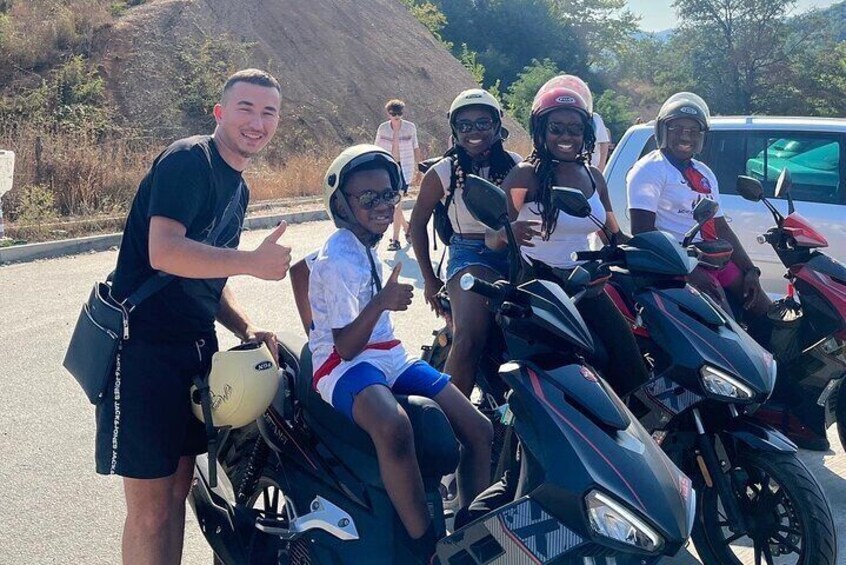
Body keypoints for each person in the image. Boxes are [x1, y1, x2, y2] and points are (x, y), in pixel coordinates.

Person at [96, 69, 291, 564]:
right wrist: (251, 262)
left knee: (179, 493)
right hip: (143, 350)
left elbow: (205, 276)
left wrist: (245, 328)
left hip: (195, 351)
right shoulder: (191, 160)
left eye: (269, 112)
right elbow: (165, 253)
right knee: (150, 510)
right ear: (220, 113)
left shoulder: (237, 187)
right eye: (246, 108)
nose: (257, 122)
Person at [309, 144, 493, 560]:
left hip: (387, 353)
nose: (381, 205)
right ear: (341, 203)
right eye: (367, 197)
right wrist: (383, 301)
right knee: (394, 427)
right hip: (342, 363)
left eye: (389, 195)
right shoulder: (336, 257)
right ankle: (424, 546)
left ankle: (472, 527)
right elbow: (345, 346)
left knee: (479, 429)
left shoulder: (367, 243)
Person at [486, 83, 648, 397]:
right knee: (563, 369)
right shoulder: (525, 176)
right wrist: (510, 233)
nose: (565, 136)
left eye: (574, 129)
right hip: (537, 284)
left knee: (628, 357)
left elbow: (612, 233)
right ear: (541, 131)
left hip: (584, 285)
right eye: (556, 128)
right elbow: (493, 238)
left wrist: (652, 249)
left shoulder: (594, 177)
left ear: (586, 133)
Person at [409, 89, 521, 398]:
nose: (474, 132)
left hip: (514, 253)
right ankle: (451, 421)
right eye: (465, 125)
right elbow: (416, 225)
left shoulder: (515, 164)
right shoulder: (443, 172)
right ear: (455, 130)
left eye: (483, 123)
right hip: (470, 254)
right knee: (469, 336)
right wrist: (430, 280)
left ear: (497, 126)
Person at [626, 92, 770, 320]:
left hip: (713, 258)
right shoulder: (650, 170)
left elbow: (720, 226)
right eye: (677, 129)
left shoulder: (704, 173)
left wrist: (751, 270)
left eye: (693, 130)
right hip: (679, 263)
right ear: (663, 131)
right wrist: (687, 272)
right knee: (727, 326)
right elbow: (643, 231)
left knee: (764, 311)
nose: (686, 136)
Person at [374, 99, 423, 251]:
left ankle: (395, 240)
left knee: (396, 203)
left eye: (399, 113)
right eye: (393, 113)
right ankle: (407, 227)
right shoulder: (383, 128)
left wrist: (420, 169)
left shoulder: (410, 127)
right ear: (388, 113)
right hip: (388, 167)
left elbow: (416, 147)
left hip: (405, 168)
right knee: (393, 203)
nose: (396, 116)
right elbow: (376, 148)